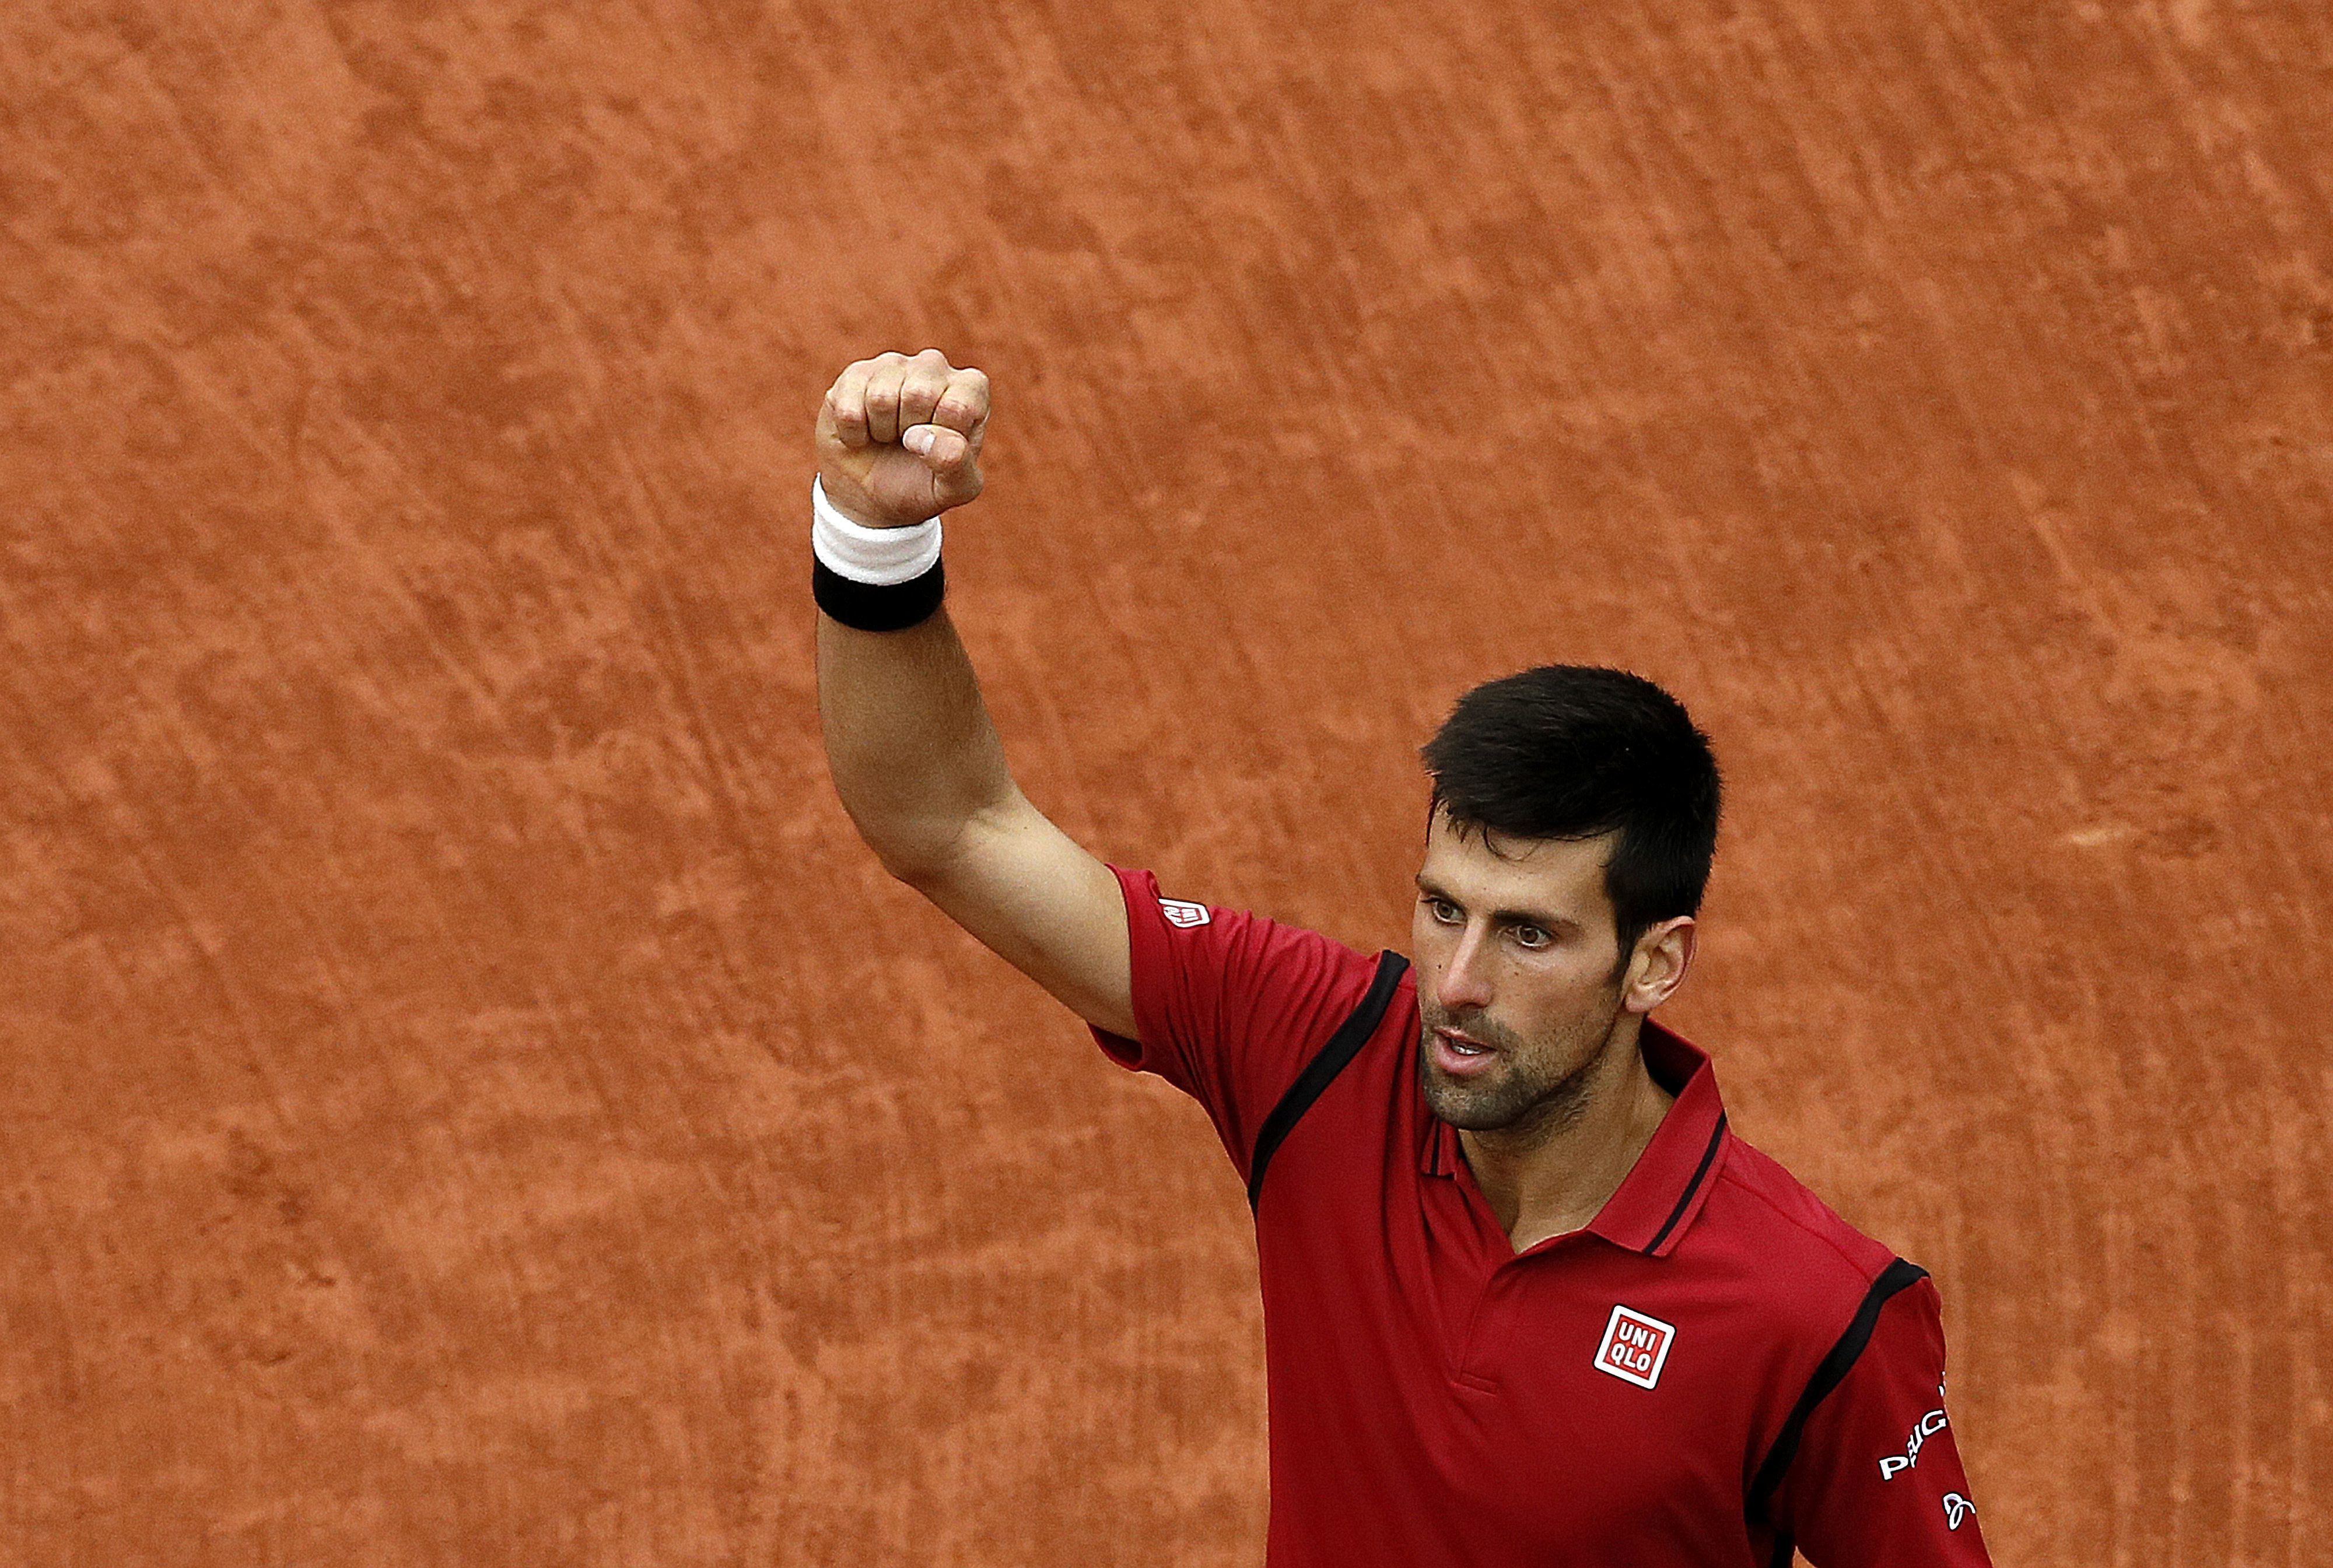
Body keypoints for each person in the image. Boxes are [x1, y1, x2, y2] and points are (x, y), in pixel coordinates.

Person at [811, 348, 1994, 1567]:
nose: (1458, 983)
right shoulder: (1320, 1052)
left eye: (1528, 932)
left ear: (1653, 964)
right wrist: (873, 541)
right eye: (1442, 909)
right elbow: (947, 823)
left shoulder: (1813, 1310)